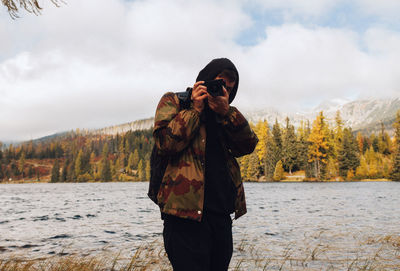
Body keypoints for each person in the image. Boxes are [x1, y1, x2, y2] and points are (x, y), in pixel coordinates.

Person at [153, 58, 258, 271]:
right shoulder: (175, 101)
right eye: (219, 83)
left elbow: (247, 145)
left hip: (221, 216)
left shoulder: (227, 115)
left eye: (229, 88)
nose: (223, 90)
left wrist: (226, 112)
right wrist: (195, 110)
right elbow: (166, 144)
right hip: (184, 217)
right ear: (204, 80)